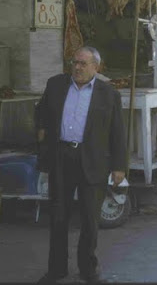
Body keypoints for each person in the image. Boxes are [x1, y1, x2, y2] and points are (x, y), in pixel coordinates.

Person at [36, 46, 127, 284]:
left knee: (89, 219)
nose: (77, 67)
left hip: (92, 161)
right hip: (62, 158)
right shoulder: (55, 85)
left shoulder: (108, 94)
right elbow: (41, 113)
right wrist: (42, 137)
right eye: (74, 62)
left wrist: (119, 166)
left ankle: (88, 269)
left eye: (83, 64)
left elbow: (118, 132)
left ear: (96, 67)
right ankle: (56, 269)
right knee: (58, 216)